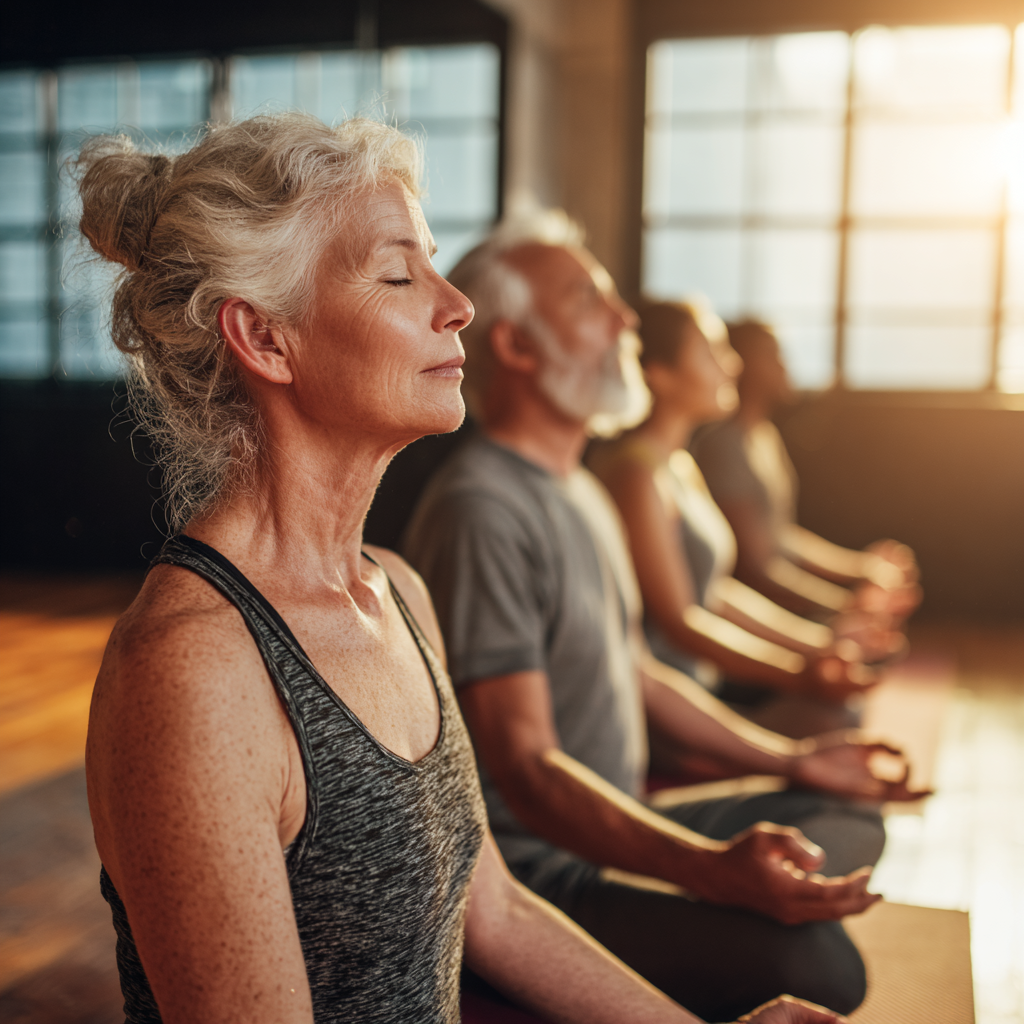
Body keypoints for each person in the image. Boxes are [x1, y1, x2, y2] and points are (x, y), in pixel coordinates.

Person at [77, 116, 833, 1024]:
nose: (458, 303)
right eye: (399, 274)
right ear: (266, 340)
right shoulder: (193, 671)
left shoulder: (397, 592)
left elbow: (497, 911)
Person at [403, 213, 927, 1023]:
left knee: (844, 816)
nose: (625, 321)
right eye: (589, 300)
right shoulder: (482, 508)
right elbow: (530, 770)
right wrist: (709, 869)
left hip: (626, 817)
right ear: (515, 346)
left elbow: (634, 666)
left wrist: (794, 760)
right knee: (823, 968)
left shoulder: (577, 483)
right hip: (545, 871)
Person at [587, 301, 878, 739]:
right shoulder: (636, 475)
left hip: (708, 678)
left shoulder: (680, 462)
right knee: (839, 720)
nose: (733, 364)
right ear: (659, 375)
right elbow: (682, 622)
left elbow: (716, 591)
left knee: (848, 698)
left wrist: (822, 647)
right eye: (712, 352)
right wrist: (800, 672)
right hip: (672, 705)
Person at [691, 320, 920, 631]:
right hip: (759, 617)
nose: (786, 366)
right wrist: (848, 607)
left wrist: (861, 568)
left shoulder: (763, 434)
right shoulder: (725, 447)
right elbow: (756, 568)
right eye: (774, 355)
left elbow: (781, 534)